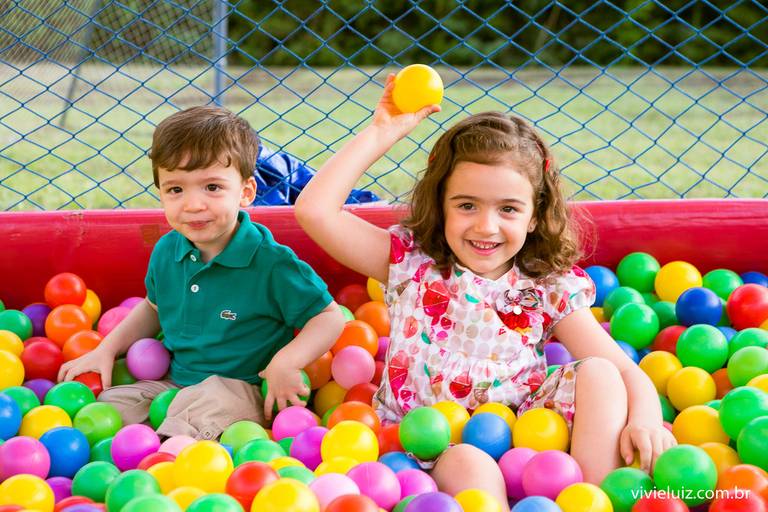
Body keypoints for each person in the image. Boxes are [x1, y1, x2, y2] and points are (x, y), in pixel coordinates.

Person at [295, 75, 675, 508]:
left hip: (525, 430)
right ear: (440, 205)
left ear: (535, 216)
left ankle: (591, 496)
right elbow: (314, 210)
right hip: (433, 441)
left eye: (508, 209)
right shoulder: (410, 263)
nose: (486, 226)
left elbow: (623, 369)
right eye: (467, 205)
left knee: (600, 375)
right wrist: (383, 131)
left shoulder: (546, 287)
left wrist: (645, 419)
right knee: (473, 464)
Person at [59, 105, 345, 438]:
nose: (193, 204)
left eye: (212, 187)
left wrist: (286, 362)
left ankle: (171, 457)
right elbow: (153, 308)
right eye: (176, 190)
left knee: (199, 409)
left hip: (246, 387)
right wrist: (106, 349)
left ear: (246, 192)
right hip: (174, 383)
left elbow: (329, 317)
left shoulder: (272, 263)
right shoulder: (168, 250)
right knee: (107, 408)